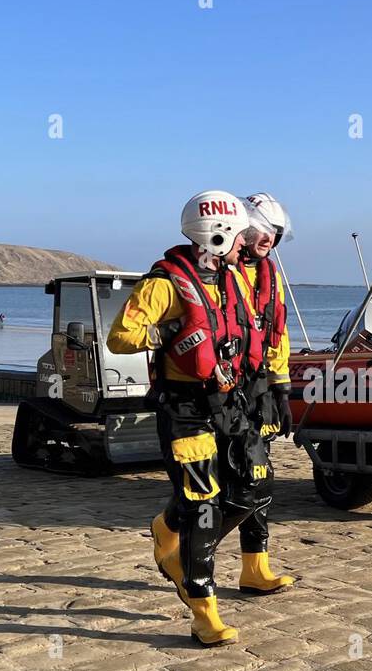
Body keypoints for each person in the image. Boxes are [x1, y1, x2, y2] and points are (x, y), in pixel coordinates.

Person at [105, 190, 267, 646]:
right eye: (239, 235)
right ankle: (203, 612)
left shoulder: (232, 279)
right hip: (186, 410)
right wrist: (169, 329)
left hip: (231, 401)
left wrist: (268, 386)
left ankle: (166, 526)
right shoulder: (165, 284)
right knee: (201, 506)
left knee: (257, 484)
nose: (245, 242)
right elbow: (121, 337)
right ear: (216, 236)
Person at [234, 192, 296, 595]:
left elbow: (277, 336)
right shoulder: (218, 270)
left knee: (260, 476)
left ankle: (255, 566)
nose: (269, 237)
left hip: (258, 388)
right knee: (219, 481)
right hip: (220, 386)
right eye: (263, 229)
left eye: (275, 232)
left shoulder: (270, 280)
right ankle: (170, 531)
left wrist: (282, 389)